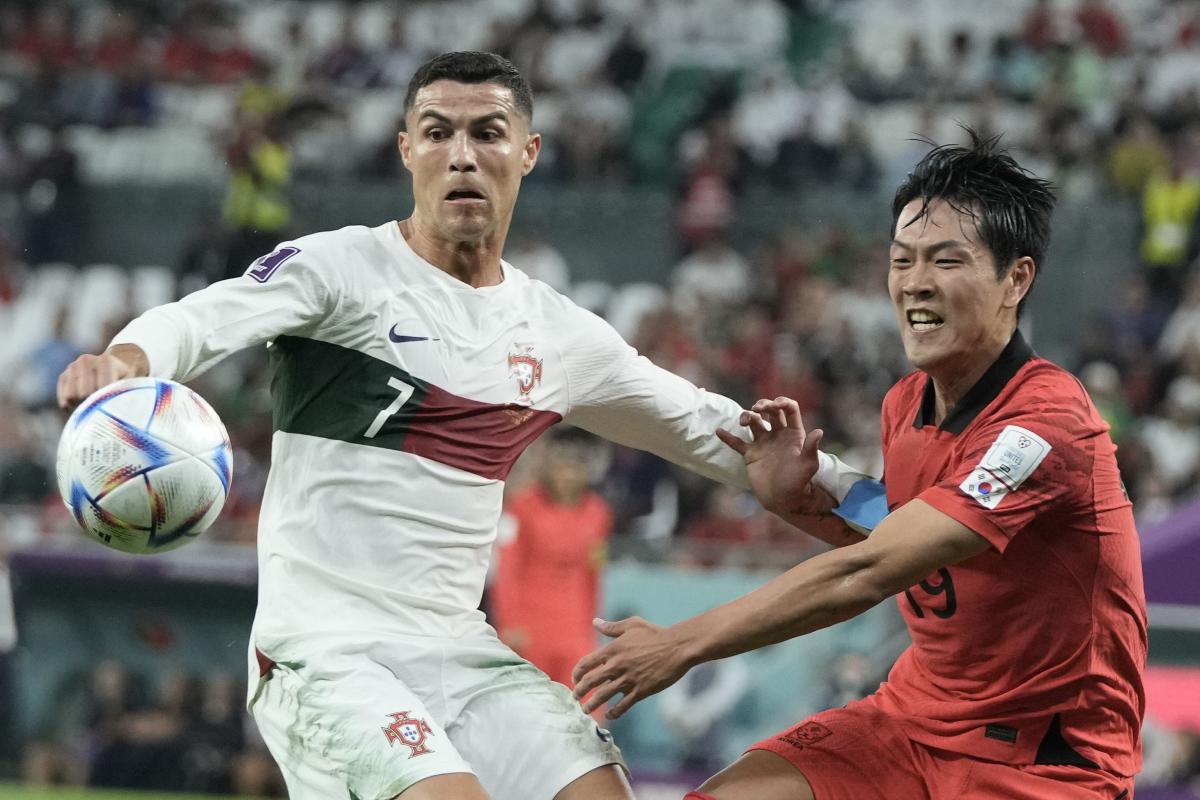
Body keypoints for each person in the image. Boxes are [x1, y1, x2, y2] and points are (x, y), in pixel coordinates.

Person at [56, 51, 825, 800]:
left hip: (460, 651)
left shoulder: (556, 334)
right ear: (406, 151)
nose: (461, 155)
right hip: (325, 655)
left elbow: (714, 430)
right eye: (437, 132)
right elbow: (201, 319)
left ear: (528, 153)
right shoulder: (341, 271)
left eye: (487, 133)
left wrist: (874, 505)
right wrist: (125, 360)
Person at [573, 130, 1146, 800]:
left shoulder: (1046, 426)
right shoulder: (907, 401)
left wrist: (681, 644)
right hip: (908, 724)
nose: (915, 284)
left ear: (1016, 277)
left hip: (1042, 767)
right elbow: (901, 531)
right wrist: (802, 500)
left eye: (946, 261)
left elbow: (871, 571)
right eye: (902, 261)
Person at [491, 431, 612, 690]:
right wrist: (508, 622)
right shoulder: (522, 507)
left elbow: (594, 573)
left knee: (585, 706)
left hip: (575, 626)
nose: (567, 475)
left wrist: (592, 625)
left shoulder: (598, 512)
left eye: (575, 467)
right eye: (561, 466)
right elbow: (507, 568)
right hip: (529, 626)